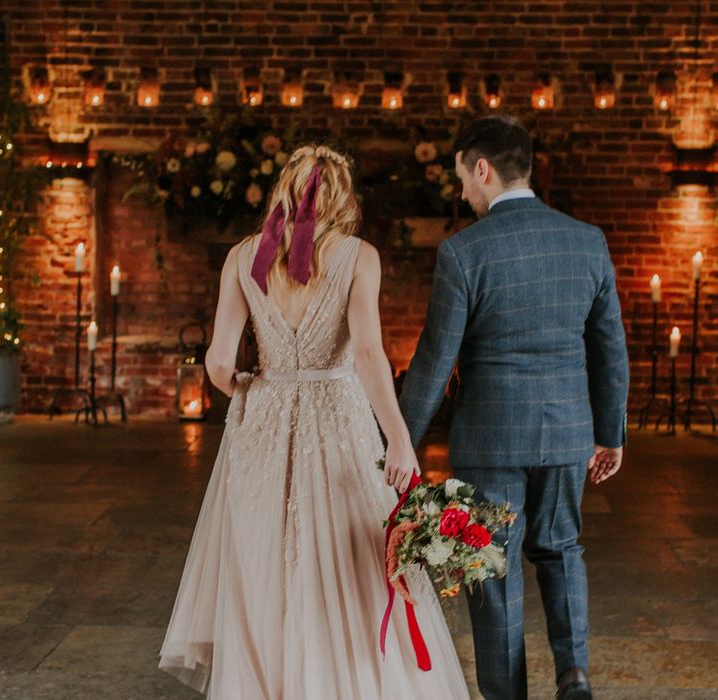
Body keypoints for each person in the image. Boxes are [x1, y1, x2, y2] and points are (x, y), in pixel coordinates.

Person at [158, 144, 469, 699]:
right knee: (347, 559)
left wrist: (256, 394)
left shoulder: (241, 258)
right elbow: (371, 356)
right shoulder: (359, 256)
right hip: (340, 422)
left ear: (283, 190)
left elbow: (220, 363)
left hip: (263, 423)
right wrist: (399, 439)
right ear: (342, 198)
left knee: (264, 560)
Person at [399, 116, 629, 700]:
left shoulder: (463, 252)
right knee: (561, 550)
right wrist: (610, 435)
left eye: (462, 179)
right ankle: (574, 674)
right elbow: (609, 349)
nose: (461, 194)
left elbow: (432, 362)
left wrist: (396, 443)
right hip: (566, 434)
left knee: (493, 573)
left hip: (490, 441)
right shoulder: (587, 240)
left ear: (483, 169)